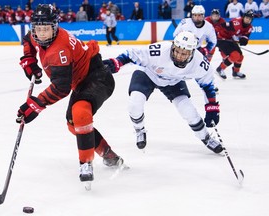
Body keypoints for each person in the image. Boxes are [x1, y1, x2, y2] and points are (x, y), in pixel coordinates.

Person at [17, 4, 124, 186]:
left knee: (80, 112)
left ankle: (86, 164)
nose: (41, 33)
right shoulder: (41, 34)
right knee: (73, 124)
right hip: (82, 81)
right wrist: (28, 59)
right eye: (38, 29)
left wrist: (36, 104)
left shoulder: (59, 49)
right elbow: (29, 39)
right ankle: (109, 155)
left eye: (46, 29)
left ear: (55, 27)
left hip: (97, 76)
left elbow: (61, 88)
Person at [103, 31, 223, 154]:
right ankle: (139, 130)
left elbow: (208, 85)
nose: (179, 56)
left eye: (184, 53)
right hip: (148, 73)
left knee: (188, 110)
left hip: (174, 81)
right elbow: (131, 54)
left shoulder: (199, 63)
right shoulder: (159, 50)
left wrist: (212, 107)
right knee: (135, 103)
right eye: (177, 51)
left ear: (192, 52)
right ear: (173, 46)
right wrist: (117, 62)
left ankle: (206, 137)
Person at [215, 10, 254, 79]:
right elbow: (222, 26)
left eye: (250, 19)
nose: (248, 20)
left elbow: (245, 36)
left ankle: (236, 72)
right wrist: (215, 34)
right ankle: (220, 69)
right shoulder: (237, 22)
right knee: (235, 55)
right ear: (244, 17)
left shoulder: (250, 27)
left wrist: (244, 40)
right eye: (247, 18)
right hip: (222, 39)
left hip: (230, 40)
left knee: (240, 57)